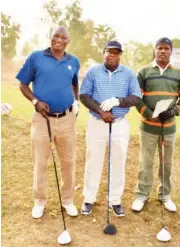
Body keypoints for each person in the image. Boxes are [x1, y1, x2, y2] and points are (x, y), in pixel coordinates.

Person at [16, 26, 80, 218]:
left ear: (68, 41)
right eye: (55, 36)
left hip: (67, 119)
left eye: (63, 38)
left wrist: (76, 101)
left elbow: (75, 82)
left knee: (68, 162)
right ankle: (40, 201)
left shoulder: (73, 61)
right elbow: (22, 84)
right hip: (42, 119)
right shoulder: (36, 57)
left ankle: (68, 200)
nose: (59, 40)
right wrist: (35, 101)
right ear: (50, 37)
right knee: (41, 162)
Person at [80, 41, 142, 217]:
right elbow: (84, 95)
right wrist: (101, 111)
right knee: (93, 161)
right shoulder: (93, 71)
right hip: (97, 123)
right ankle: (89, 198)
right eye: (109, 52)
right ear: (103, 53)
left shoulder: (128, 73)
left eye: (116, 53)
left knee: (118, 162)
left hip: (120, 124)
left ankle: (115, 200)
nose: (112, 55)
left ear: (120, 55)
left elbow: (136, 97)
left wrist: (118, 101)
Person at [132, 37, 180, 212]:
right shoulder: (144, 72)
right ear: (155, 50)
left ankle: (165, 195)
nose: (163, 51)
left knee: (166, 162)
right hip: (148, 127)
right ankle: (142, 194)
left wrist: (173, 111)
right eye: (160, 48)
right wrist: (149, 114)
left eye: (166, 48)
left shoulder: (179, 73)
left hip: (169, 127)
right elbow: (136, 98)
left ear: (171, 51)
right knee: (146, 161)